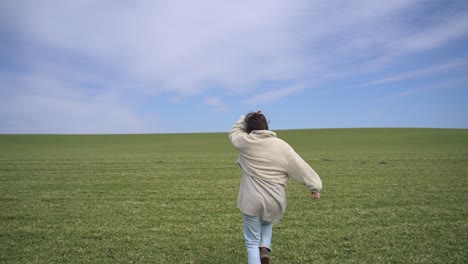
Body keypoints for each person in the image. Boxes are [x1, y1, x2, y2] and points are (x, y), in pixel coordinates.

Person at [229, 111, 322, 264]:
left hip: (251, 199)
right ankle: (265, 247)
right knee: (267, 221)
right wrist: (315, 187)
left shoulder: (246, 142)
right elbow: (300, 167)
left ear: (249, 128)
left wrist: (243, 118)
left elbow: (233, 133)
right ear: (267, 126)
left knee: (252, 242)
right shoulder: (281, 146)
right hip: (274, 199)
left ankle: (260, 248)